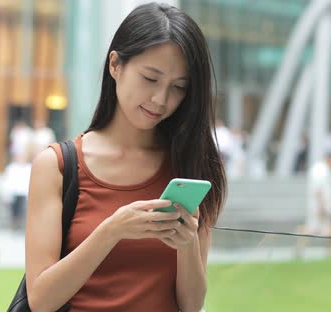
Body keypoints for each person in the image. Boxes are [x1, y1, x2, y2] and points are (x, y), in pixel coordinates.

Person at [24, 3, 227, 311]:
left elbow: (191, 306)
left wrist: (187, 244)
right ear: (115, 65)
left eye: (178, 87)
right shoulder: (57, 166)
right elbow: (41, 301)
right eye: (150, 78)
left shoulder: (191, 166)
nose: (161, 99)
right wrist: (112, 230)